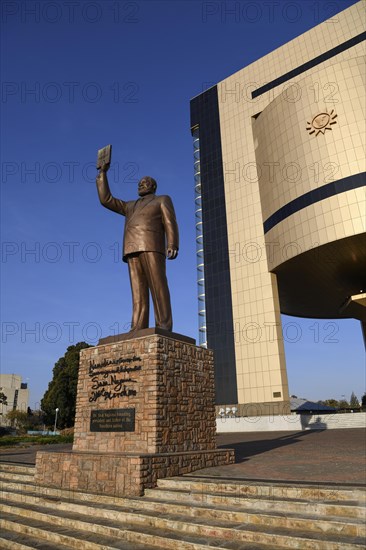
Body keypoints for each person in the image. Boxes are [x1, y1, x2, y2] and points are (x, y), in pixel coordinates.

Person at [96, 164, 179, 332]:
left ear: (153, 186)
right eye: (139, 183)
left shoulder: (162, 199)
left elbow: (170, 222)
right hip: (131, 247)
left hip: (152, 245)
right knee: (138, 291)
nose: (140, 184)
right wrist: (102, 173)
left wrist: (172, 243)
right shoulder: (129, 205)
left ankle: (163, 324)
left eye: (145, 182)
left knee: (158, 285)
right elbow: (107, 200)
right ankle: (138, 326)